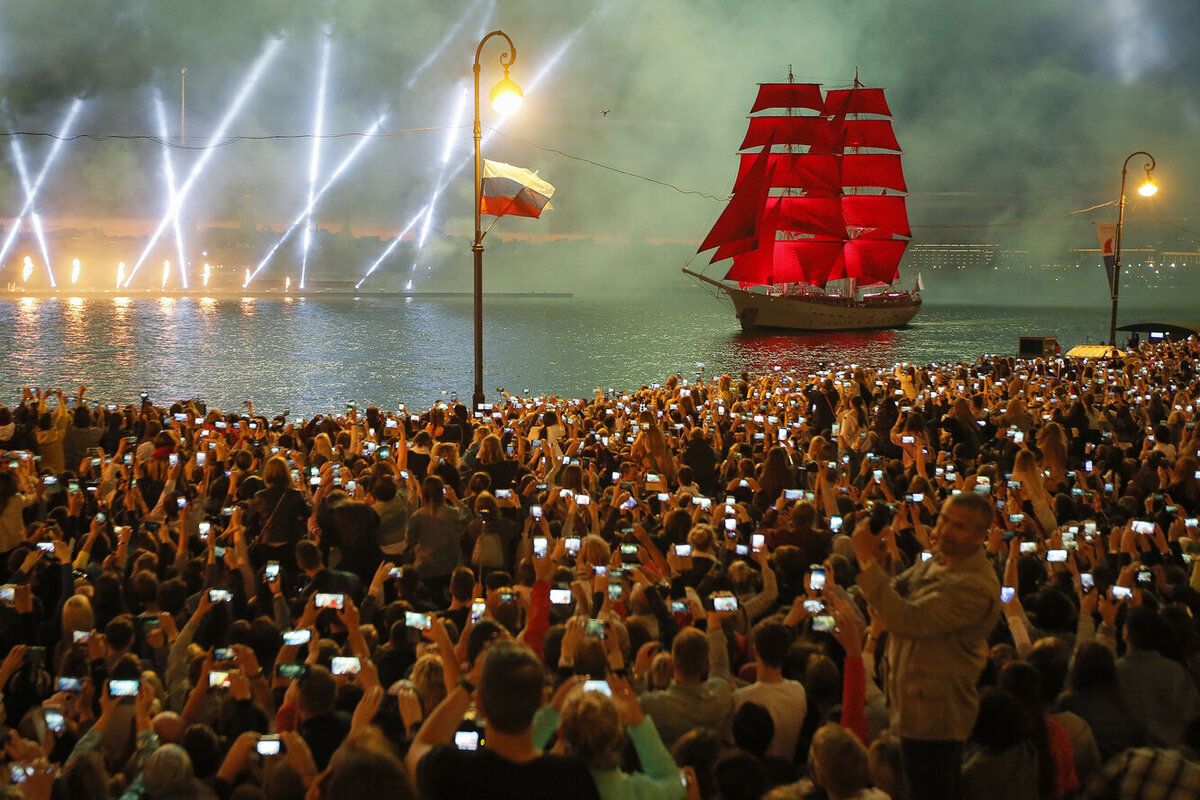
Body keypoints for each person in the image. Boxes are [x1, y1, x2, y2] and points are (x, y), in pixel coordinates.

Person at [852, 492, 1001, 800]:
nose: (944, 530)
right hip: (910, 704)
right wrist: (879, 559)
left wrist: (866, 562)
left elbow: (908, 619)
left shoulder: (974, 586)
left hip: (935, 719)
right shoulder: (937, 560)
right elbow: (893, 597)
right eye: (944, 519)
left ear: (980, 536)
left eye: (958, 526)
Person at [407, 641, 602, 800]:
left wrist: (468, 684)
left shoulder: (453, 771)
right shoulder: (572, 779)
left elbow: (419, 747)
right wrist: (552, 713)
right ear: (542, 702)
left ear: (479, 706)